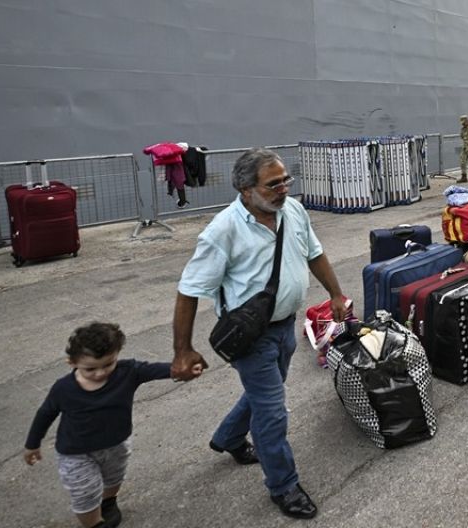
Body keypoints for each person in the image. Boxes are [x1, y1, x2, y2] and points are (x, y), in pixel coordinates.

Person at [172, 148, 353, 520]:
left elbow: (314, 254)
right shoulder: (223, 231)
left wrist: (335, 293)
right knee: (271, 412)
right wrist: (182, 351)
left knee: (263, 393)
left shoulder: (293, 211)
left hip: (285, 327)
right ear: (244, 188)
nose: (283, 189)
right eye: (273, 184)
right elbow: (189, 290)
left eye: (286, 180)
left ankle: (229, 438)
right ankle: (284, 486)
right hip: (249, 337)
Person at [24, 322, 172, 528]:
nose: (100, 373)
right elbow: (45, 414)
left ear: (117, 355)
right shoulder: (63, 389)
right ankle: (94, 524)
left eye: (108, 364)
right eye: (90, 368)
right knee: (85, 493)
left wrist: (183, 368)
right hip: (76, 453)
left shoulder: (128, 371)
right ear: (72, 362)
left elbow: (157, 370)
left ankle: (108, 502)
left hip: (116, 444)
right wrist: (32, 443)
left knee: (114, 477)